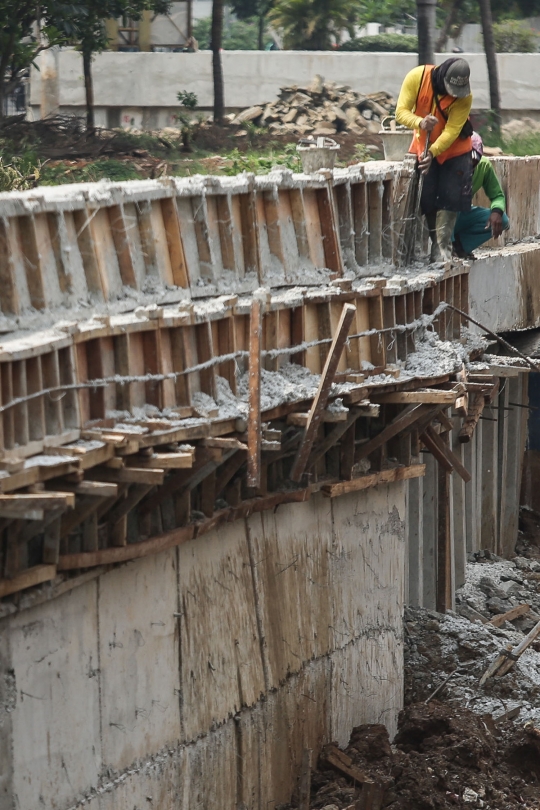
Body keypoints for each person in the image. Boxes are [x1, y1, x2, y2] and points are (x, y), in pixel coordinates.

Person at [396, 57, 474, 262]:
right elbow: (400, 113)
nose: (452, 95)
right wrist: (420, 122)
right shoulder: (417, 77)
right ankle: (436, 245)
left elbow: (452, 131)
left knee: (450, 200)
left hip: (455, 151)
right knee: (429, 199)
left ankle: (442, 251)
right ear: (442, 76)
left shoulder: (464, 98)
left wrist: (433, 152)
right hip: (424, 147)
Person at [452, 132, 509, 259]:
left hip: (462, 213)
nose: (469, 166)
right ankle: (446, 246)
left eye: (473, 163)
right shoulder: (448, 165)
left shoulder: (484, 166)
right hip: (443, 216)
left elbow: (497, 195)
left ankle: (460, 246)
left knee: (503, 219)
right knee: (446, 210)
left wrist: (497, 211)